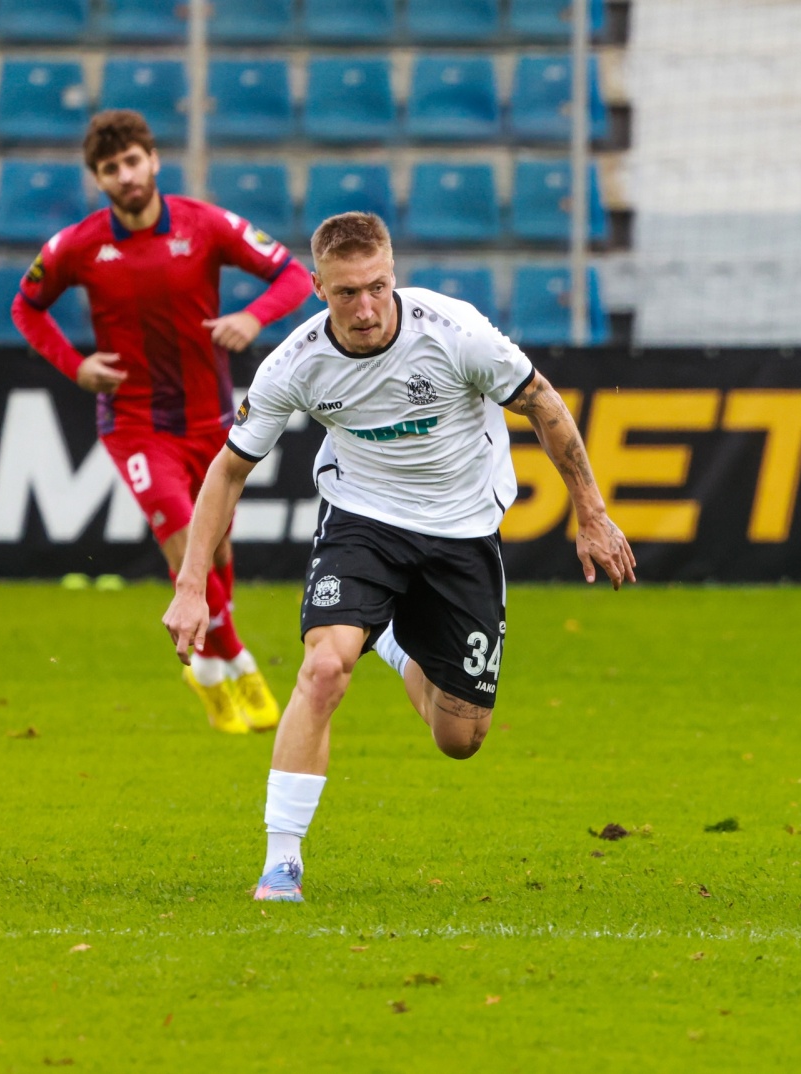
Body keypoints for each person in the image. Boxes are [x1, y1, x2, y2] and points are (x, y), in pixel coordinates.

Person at [162, 212, 636, 903]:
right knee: (325, 668)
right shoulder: (295, 363)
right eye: (346, 293)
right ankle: (281, 861)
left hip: (463, 528)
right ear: (318, 287)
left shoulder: (455, 332)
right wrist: (190, 586)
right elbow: (228, 470)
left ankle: (386, 638)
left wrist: (591, 514)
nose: (365, 308)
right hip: (363, 521)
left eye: (377, 288)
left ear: (393, 275)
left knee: (460, 737)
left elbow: (542, 403)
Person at [13, 110, 312, 734]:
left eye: (132, 161)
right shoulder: (77, 246)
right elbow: (26, 306)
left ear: (153, 160)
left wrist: (252, 318)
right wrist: (74, 365)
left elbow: (290, 273)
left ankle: (204, 666)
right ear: (98, 179)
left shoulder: (205, 224)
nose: (125, 176)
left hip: (212, 420)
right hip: (135, 425)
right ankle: (234, 662)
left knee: (215, 548)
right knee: (183, 543)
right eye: (110, 168)